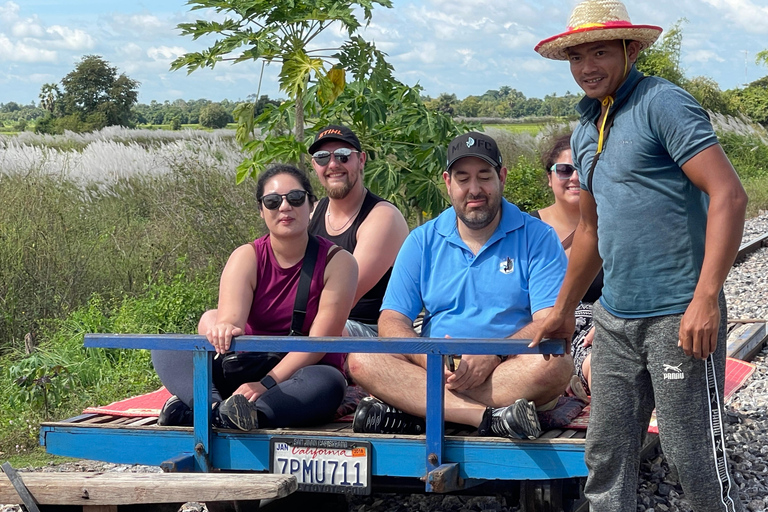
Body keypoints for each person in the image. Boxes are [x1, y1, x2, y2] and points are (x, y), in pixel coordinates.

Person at [533, 1, 747, 510]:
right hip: (615, 321)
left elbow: (729, 195)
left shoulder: (662, 104)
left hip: (678, 315)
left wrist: (706, 299)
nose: (587, 67)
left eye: (600, 52)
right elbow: (590, 230)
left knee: (690, 453)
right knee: (606, 454)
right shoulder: (586, 129)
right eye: (577, 56)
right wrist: (564, 311)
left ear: (630, 50)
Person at [347, 131, 574, 440]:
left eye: (484, 176)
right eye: (463, 178)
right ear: (447, 182)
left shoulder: (538, 237)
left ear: (501, 177)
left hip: (505, 369)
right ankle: (485, 418)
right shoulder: (422, 240)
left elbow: (549, 320)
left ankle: (416, 411)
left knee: (556, 367)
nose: (474, 189)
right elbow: (392, 319)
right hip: (436, 370)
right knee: (362, 360)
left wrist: (493, 355)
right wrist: (426, 356)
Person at [152, 164, 358, 431]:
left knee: (328, 383)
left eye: (295, 198)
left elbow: (318, 344)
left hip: (300, 371)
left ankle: (225, 413)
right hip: (244, 365)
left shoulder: (339, 262)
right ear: (262, 211)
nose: (284, 207)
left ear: (312, 206)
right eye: (272, 201)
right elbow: (231, 321)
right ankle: (215, 409)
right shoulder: (246, 256)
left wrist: (265, 384)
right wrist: (223, 327)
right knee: (167, 346)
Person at [307, 125, 410, 337]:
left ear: (361, 160)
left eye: (344, 156)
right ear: (315, 165)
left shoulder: (382, 217)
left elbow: (345, 296)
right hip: (314, 318)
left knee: (326, 328)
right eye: (323, 157)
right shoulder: (312, 212)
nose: (333, 164)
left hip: (367, 330)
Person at [529, 133, 603, 398]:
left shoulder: (612, 226)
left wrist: (609, 320)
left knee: (603, 357)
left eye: (582, 169)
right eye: (564, 170)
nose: (574, 177)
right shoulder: (526, 229)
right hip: (540, 324)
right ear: (549, 178)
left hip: (596, 325)